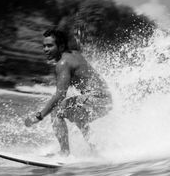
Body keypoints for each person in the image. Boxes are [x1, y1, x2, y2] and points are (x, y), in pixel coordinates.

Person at [24, 28, 112, 156]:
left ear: (61, 46)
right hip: (106, 100)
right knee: (76, 114)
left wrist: (39, 116)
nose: (45, 49)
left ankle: (64, 152)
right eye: (44, 46)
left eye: (50, 46)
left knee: (56, 111)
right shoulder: (75, 54)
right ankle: (96, 150)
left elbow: (60, 95)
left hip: (97, 99)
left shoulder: (63, 63)